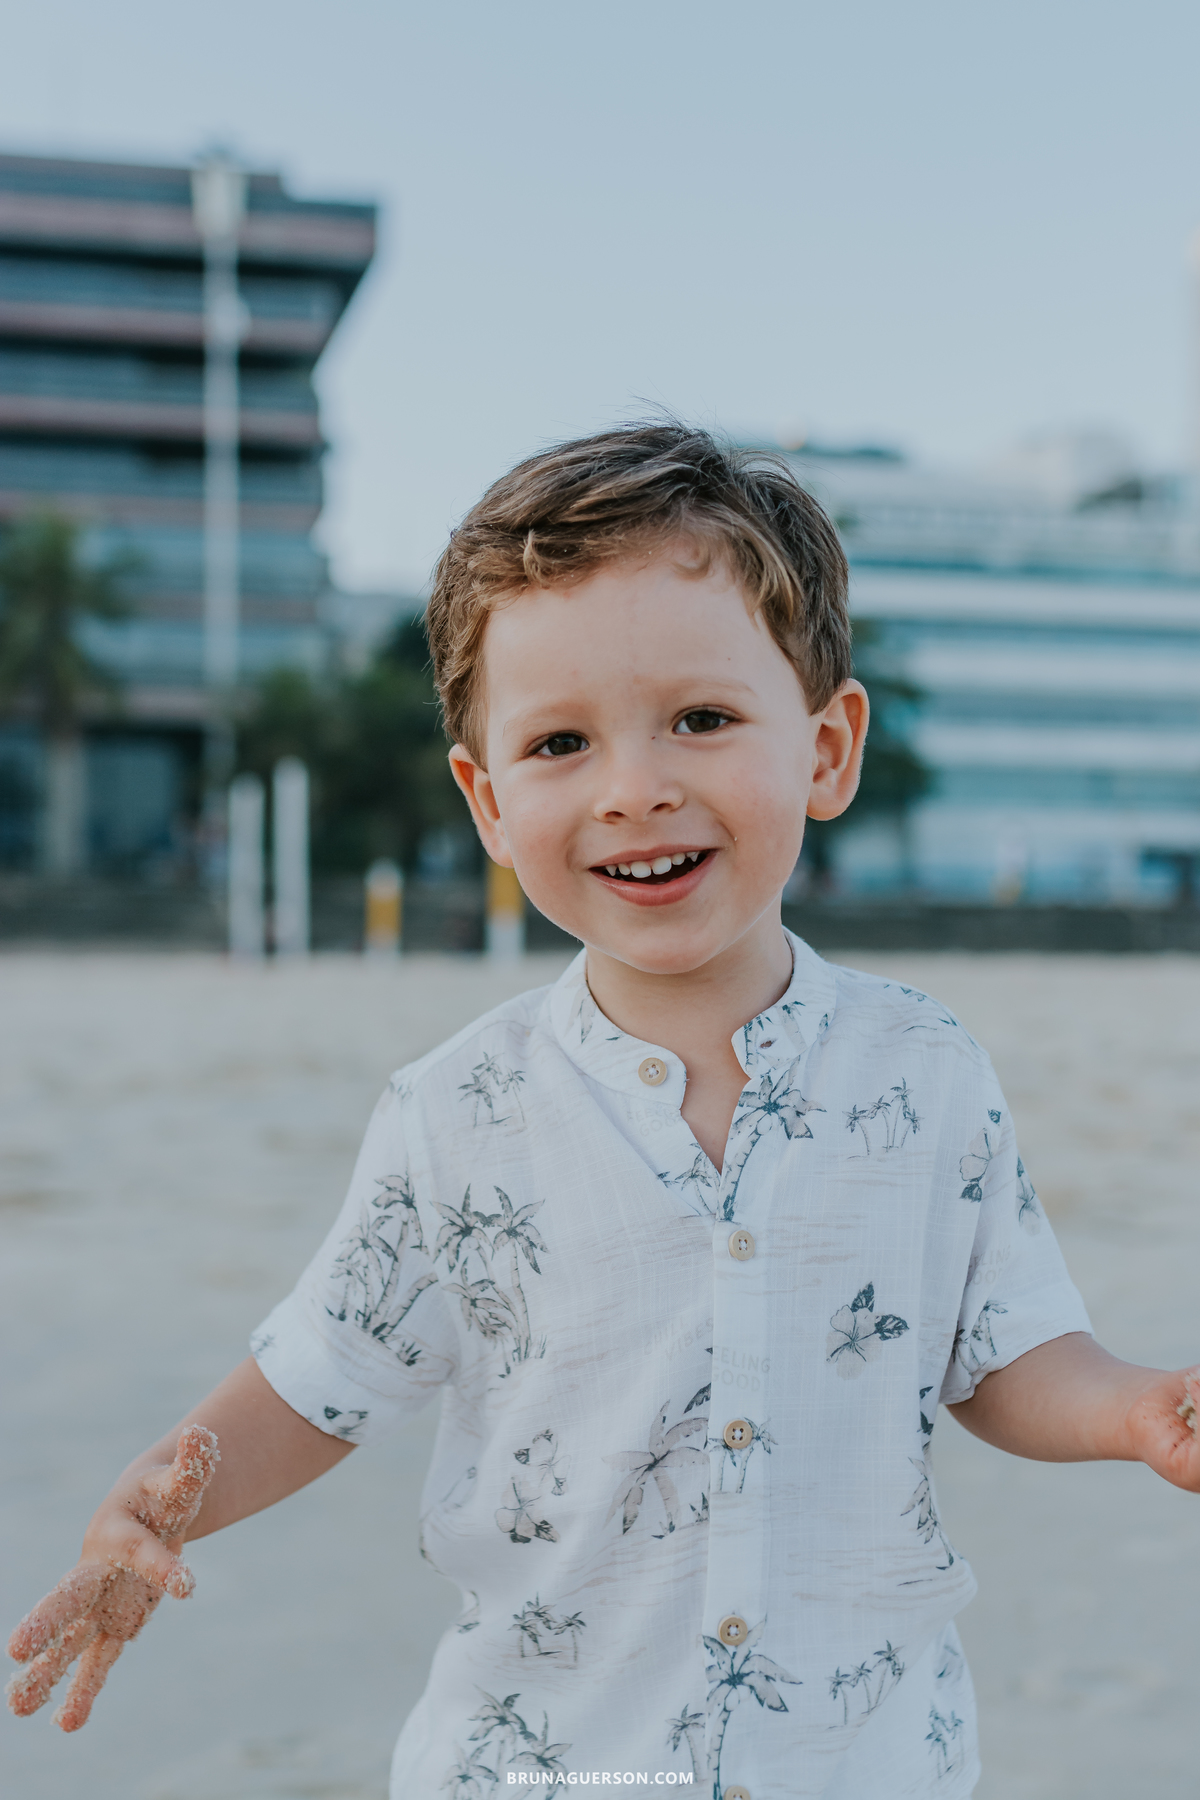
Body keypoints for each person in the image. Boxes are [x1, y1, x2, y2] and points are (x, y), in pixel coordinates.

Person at [8, 423, 1200, 1798]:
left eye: (702, 720)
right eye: (561, 742)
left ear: (826, 748)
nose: (636, 788)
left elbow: (1001, 1351)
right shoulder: (456, 1112)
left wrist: (1137, 1408)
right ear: (487, 801)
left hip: (863, 1761)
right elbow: (320, 1377)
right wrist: (162, 1496)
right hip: (546, 1766)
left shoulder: (924, 1070)